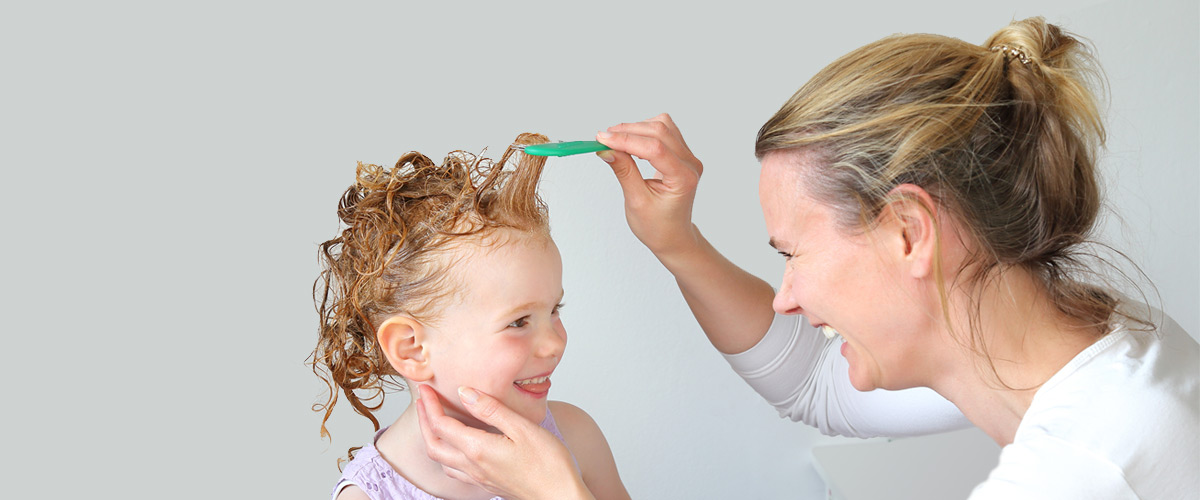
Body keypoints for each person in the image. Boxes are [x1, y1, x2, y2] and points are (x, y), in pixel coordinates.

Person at [414, 17, 1200, 499]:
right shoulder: (1112, 345)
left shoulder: (1087, 468)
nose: (787, 295)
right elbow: (816, 384)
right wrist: (675, 241)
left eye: (794, 254)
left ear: (907, 232)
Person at [311, 133, 631, 500]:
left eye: (554, 310)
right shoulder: (368, 496)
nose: (556, 342)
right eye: (519, 322)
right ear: (411, 348)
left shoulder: (576, 438)